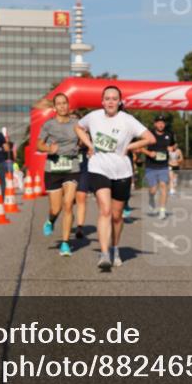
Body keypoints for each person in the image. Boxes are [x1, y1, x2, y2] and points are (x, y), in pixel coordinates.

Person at [74, 86, 155, 272]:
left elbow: (150, 138)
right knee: (105, 210)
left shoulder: (128, 120)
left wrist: (130, 146)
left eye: (114, 99)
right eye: (107, 98)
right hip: (98, 168)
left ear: (119, 102)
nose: (110, 102)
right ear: (102, 101)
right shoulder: (93, 117)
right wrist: (89, 144)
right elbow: (78, 127)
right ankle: (104, 254)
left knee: (117, 216)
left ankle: (115, 248)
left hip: (122, 171)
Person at [37, 93, 81, 256]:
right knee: (56, 208)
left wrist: (86, 144)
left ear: (68, 106)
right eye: (59, 104)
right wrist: (49, 149)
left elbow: (84, 138)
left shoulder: (77, 124)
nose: (62, 106)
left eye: (65, 103)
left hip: (72, 166)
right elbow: (39, 144)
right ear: (54, 107)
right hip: (53, 168)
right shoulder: (49, 125)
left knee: (68, 204)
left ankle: (65, 243)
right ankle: (51, 220)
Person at [141, 114, 176, 220]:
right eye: (159, 122)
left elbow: (174, 145)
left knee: (163, 186)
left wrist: (172, 148)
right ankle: (151, 198)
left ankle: (162, 211)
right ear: (155, 124)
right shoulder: (149, 134)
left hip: (163, 166)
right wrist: (148, 153)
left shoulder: (169, 134)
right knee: (153, 189)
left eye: (163, 123)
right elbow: (140, 147)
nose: (161, 124)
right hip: (151, 166)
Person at [74, 140, 90, 240]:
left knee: (82, 197)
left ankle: (80, 227)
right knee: (68, 200)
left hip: (83, 166)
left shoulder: (85, 127)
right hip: (68, 166)